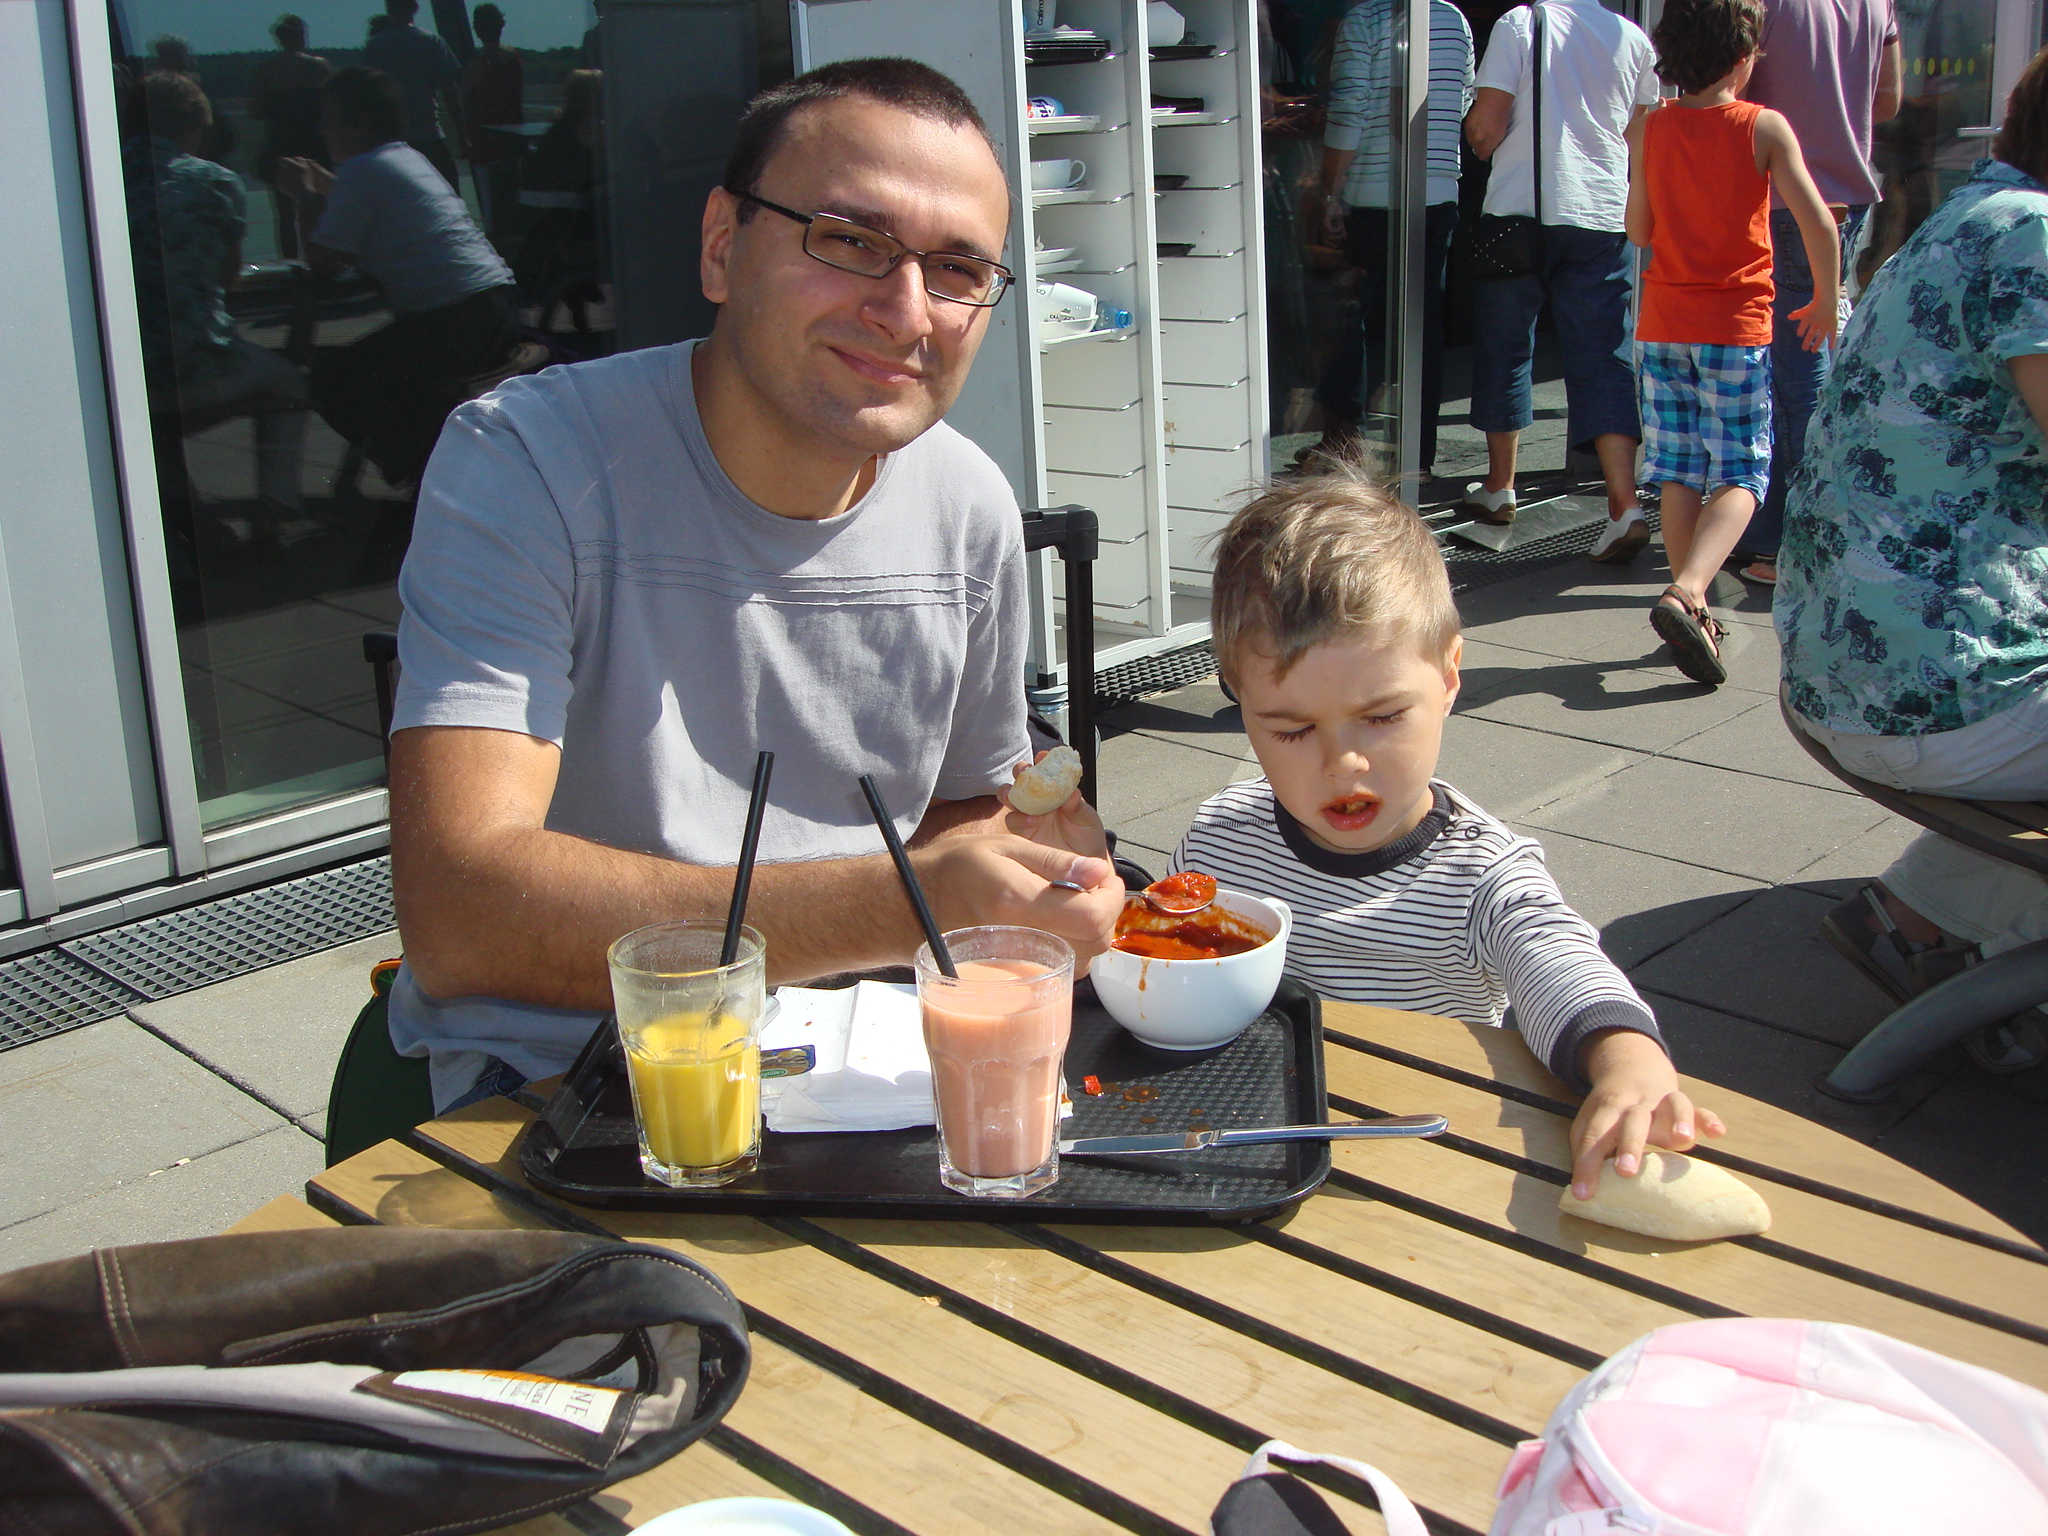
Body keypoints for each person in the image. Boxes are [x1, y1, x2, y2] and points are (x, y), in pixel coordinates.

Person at [384, 58, 1126, 1110]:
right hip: (572, 1070)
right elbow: (462, 916)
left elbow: (967, 808)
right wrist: (908, 906)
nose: (906, 312)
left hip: (866, 1055)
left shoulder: (966, 502)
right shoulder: (530, 462)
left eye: (958, 269)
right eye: (851, 240)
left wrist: (1024, 880)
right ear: (722, 245)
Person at [1173, 471, 1725, 1195]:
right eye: (1292, 729)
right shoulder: (1219, 842)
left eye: (1382, 717)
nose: (1343, 762)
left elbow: (1555, 957)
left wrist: (1626, 1059)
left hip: (1429, 1155)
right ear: (1239, 699)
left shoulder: (1482, 875)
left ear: (1449, 676)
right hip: (1256, 1146)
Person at [1776, 43, 2048, 1073]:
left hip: (1843, 666)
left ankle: (1919, 914)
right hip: (1928, 694)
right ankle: (2016, 976)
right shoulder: (2032, 238)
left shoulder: (1965, 219)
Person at [1625, 0, 1839, 684]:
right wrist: (1826, 300)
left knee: (1679, 468)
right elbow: (1819, 223)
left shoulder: (1650, 127)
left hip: (1663, 323)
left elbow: (1638, 231)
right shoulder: (1763, 126)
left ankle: (1695, 606)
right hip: (1734, 324)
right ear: (1743, 59)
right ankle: (1688, 590)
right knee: (1744, 470)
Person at [1461, 0, 1658, 545]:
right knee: (1605, 356)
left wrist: (1478, 141)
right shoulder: (1632, 38)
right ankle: (1624, 504)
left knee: (1506, 347)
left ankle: (1500, 486)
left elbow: (1486, 126)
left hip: (1520, 212)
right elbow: (1639, 135)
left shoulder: (1520, 23)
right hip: (1603, 216)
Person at [276, 67, 520, 491]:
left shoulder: (363, 171)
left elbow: (324, 262)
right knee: (381, 374)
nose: (321, 130)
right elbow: (368, 198)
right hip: (492, 311)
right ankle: (426, 464)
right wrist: (326, 187)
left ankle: (418, 473)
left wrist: (303, 196)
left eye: (328, 119)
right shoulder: (404, 157)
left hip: (454, 324)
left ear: (358, 124)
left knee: (330, 382)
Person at [1735, 0, 1902, 586]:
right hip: (1846, 196)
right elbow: (1888, 100)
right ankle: (1792, 529)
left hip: (1782, 198)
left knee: (1794, 377)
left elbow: (1729, 86)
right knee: (1809, 364)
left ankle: (1795, 539)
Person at [125, 71, 314, 546]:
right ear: (194, 127)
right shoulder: (214, 181)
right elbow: (227, 276)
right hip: (199, 369)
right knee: (291, 382)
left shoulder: (90, 180)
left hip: (123, 379)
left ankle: (187, 519)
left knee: (151, 425)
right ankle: (277, 508)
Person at [1306, 0, 1475, 480]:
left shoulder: (1366, 18)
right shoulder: (1453, 18)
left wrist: (1331, 192)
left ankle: (1345, 442)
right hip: (1437, 192)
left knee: (1346, 316)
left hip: (1371, 194)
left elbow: (1349, 109)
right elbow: (1462, 100)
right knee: (1422, 327)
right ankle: (1417, 458)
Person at [361, 0, 466, 191]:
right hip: (429, 134)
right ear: (414, 8)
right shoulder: (432, 41)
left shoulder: (375, 46)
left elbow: (367, 96)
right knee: (447, 193)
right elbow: (449, 90)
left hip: (391, 139)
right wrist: (462, 133)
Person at [250, 14, 331, 261]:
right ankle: (326, 258)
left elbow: (257, 110)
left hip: (281, 140)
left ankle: (290, 262)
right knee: (322, 205)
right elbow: (332, 105)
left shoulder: (267, 69)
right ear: (301, 36)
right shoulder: (318, 66)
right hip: (313, 142)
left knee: (284, 213)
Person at [462, 3, 524, 242]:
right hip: (513, 133)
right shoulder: (514, 59)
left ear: (477, 30)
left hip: (484, 138)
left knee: (487, 199)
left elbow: (464, 97)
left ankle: (494, 238)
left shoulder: (478, 64)